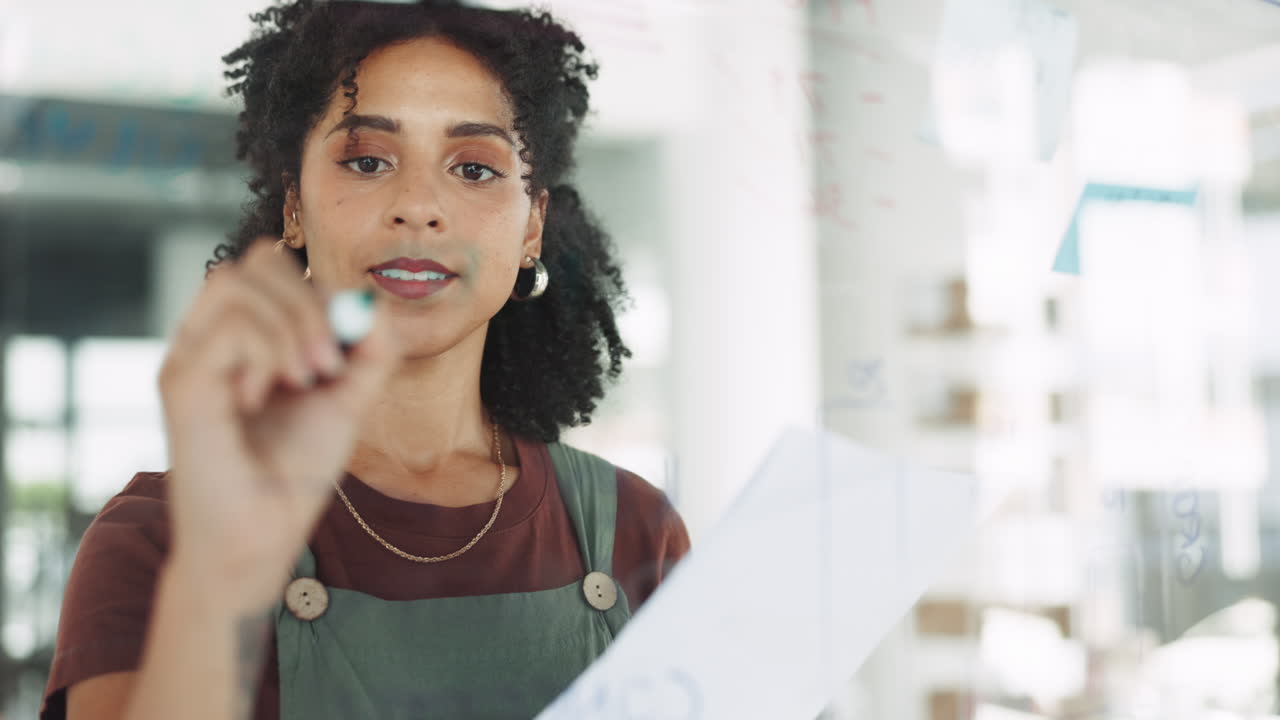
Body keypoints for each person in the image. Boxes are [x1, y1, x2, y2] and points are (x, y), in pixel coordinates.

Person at [39, 1, 690, 718]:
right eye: (368, 160)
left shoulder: (638, 529)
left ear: (531, 225)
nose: (418, 205)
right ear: (295, 206)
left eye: (473, 169)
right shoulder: (156, 538)